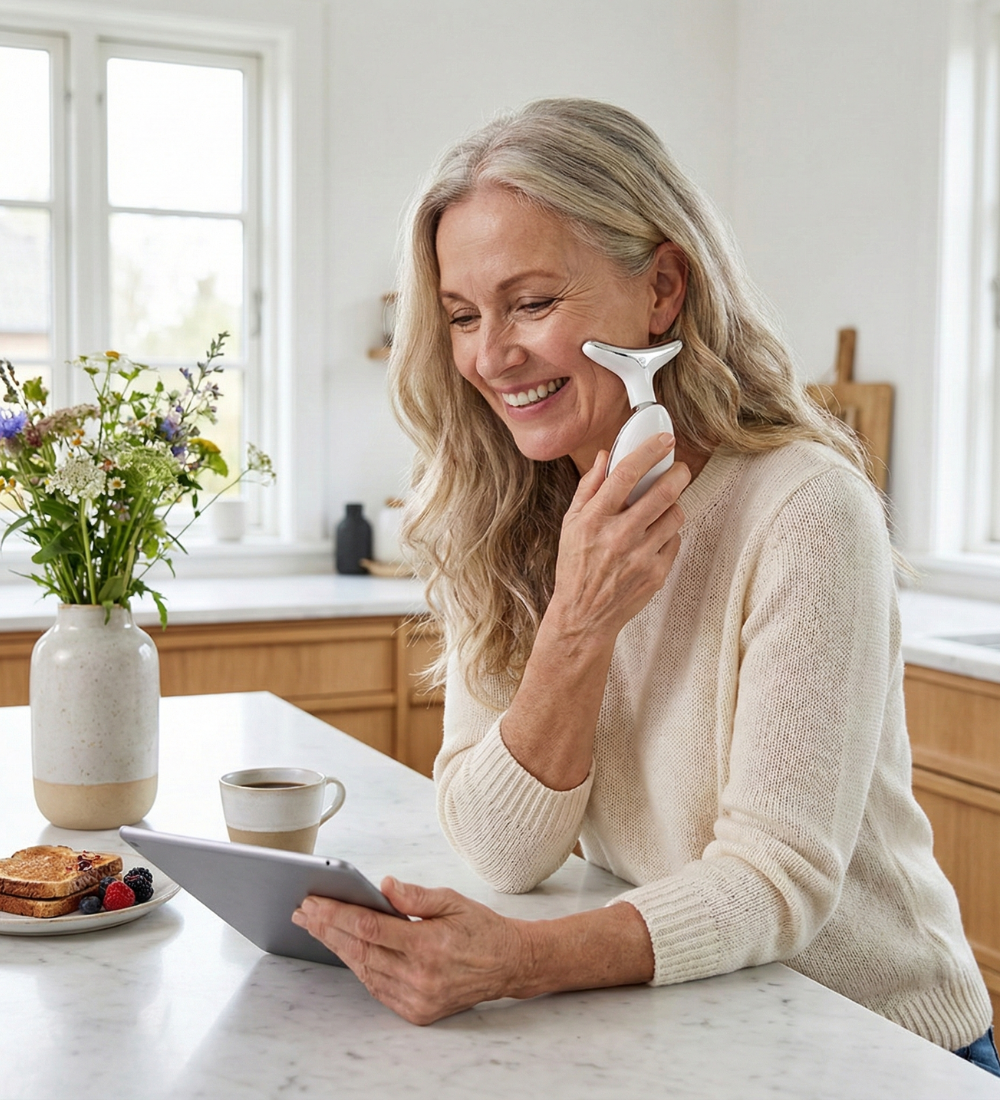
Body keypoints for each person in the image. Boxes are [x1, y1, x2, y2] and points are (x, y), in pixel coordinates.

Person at [293, 98, 999, 1072]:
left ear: (661, 288)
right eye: (462, 315)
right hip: (681, 1026)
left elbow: (774, 882)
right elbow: (503, 850)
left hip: (875, 1042)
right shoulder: (501, 510)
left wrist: (514, 960)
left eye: (532, 302)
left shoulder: (804, 510)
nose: (490, 355)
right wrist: (575, 628)